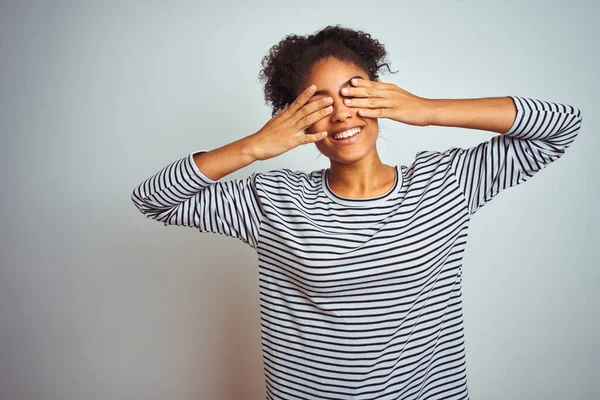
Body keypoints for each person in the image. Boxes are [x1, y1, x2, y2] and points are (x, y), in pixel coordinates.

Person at [131, 25, 582, 400]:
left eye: (354, 94)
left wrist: (427, 111)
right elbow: (152, 198)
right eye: (320, 103)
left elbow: (562, 125)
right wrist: (253, 146)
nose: (342, 115)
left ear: (381, 94)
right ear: (297, 117)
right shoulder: (271, 201)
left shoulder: (448, 183)